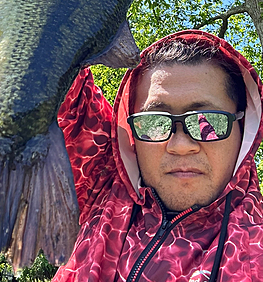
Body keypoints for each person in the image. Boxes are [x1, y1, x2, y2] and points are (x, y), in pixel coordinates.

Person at [53, 29, 263, 282]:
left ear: (244, 127)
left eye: (207, 122)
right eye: (154, 122)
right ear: (131, 131)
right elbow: (50, 55)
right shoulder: (101, 181)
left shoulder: (255, 253)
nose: (181, 146)